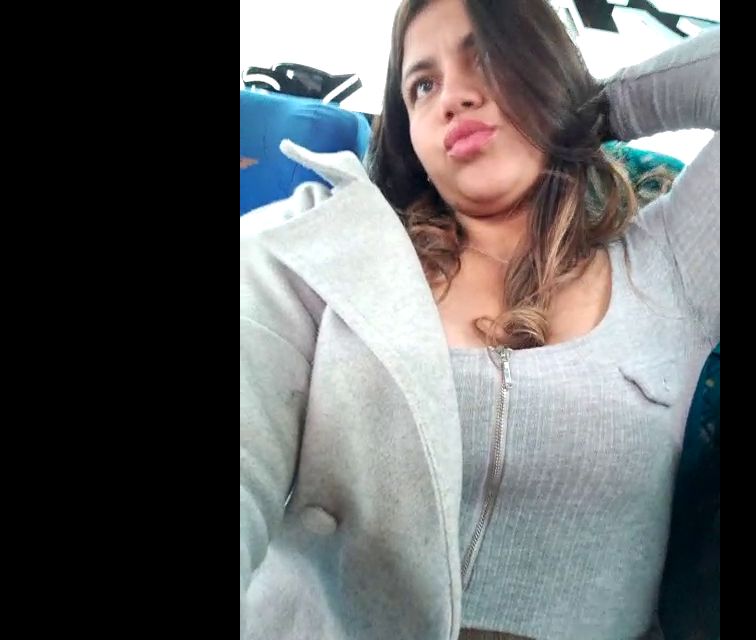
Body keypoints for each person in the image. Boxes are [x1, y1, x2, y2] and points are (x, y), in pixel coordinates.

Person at [240, 0, 719, 638]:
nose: (453, 98)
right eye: (422, 85)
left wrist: (587, 109)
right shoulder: (324, 240)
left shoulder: (672, 268)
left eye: (488, 60)